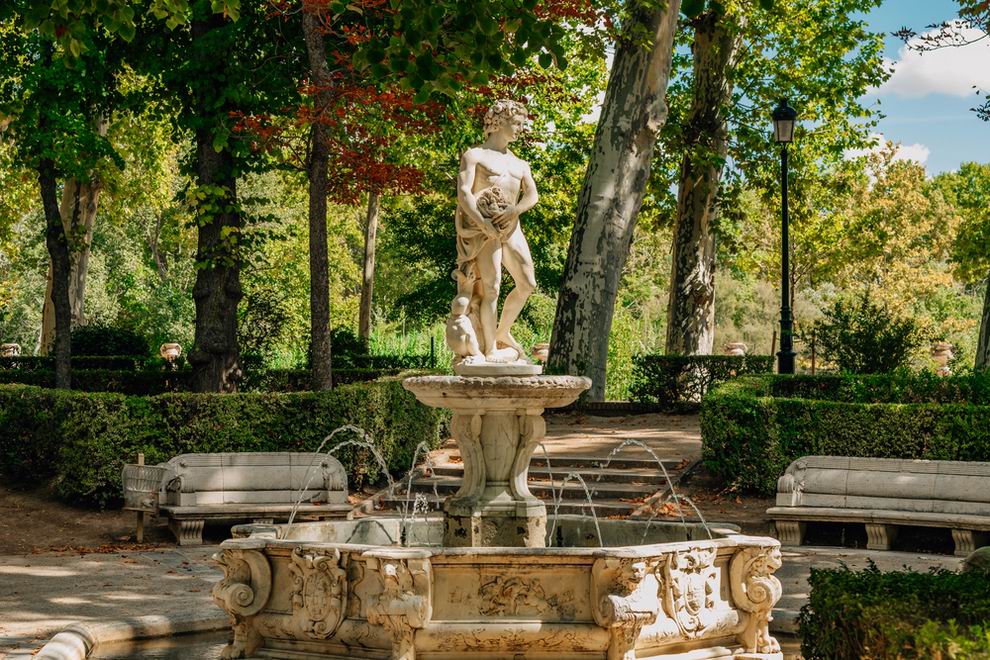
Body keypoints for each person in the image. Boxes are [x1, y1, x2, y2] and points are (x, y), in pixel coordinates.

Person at [451, 99, 539, 363]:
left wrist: (515, 211)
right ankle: (490, 350)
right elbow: (463, 193)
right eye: (516, 124)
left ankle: (502, 332)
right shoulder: (474, 155)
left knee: (527, 283)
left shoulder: (521, 163)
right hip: (484, 228)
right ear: (499, 123)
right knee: (492, 287)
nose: (520, 129)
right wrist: (482, 223)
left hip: (511, 226)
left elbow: (532, 195)